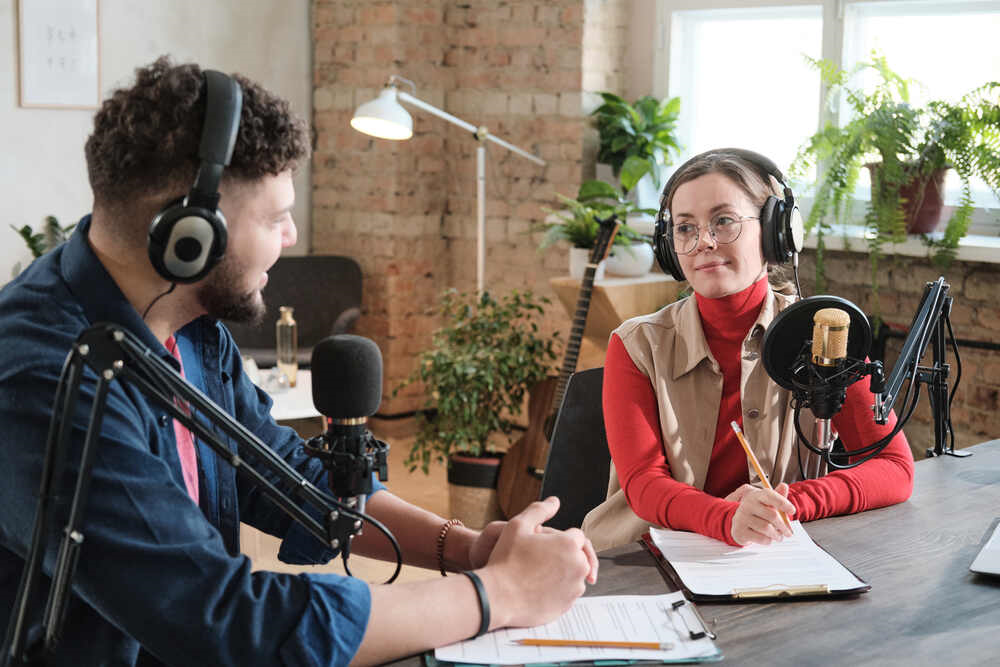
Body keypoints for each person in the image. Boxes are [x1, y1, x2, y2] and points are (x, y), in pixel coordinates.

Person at [0, 56, 597, 666]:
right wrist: (500, 595)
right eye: (276, 216)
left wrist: (466, 551)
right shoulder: (40, 379)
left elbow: (288, 478)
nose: (290, 237)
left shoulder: (187, 321)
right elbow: (224, 621)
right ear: (188, 235)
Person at [581, 148, 914, 551]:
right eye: (685, 228)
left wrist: (785, 507)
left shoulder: (825, 333)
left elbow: (894, 468)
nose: (703, 241)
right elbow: (644, 486)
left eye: (723, 221)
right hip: (642, 558)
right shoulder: (635, 345)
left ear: (776, 232)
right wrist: (727, 518)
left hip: (771, 554)